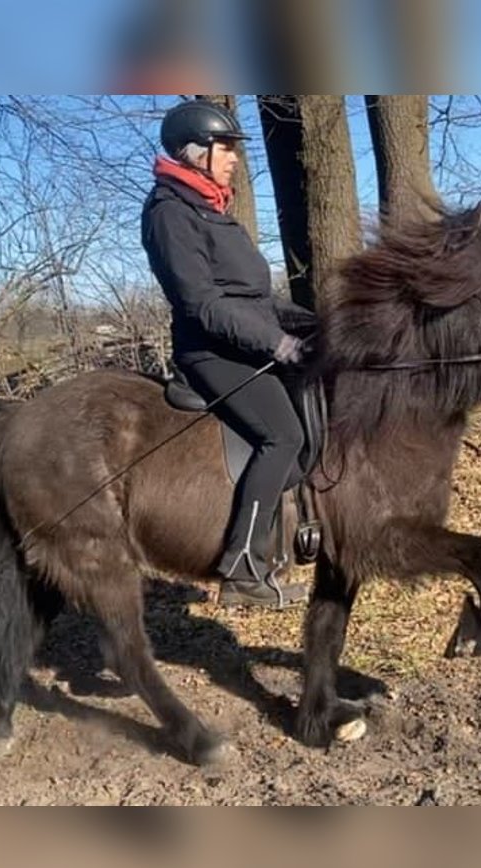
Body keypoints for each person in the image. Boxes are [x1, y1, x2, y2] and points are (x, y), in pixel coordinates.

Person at [141, 98, 310, 609]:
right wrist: (274, 343)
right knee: (283, 436)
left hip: (242, 340)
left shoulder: (211, 210)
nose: (235, 158)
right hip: (211, 353)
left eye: (234, 149)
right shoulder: (171, 213)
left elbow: (253, 298)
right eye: (226, 148)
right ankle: (242, 567)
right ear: (194, 153)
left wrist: (310, 325)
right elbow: (201, 302)